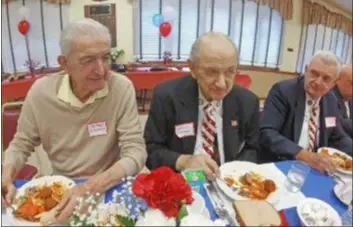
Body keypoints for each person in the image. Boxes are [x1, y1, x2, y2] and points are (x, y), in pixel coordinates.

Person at [1, 18, 147, 223]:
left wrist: (90, 187)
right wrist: (7, 173)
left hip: (109, 185)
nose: (101, 70)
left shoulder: (120, 88)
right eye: (88, 60)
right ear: (64, 63)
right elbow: (21, 143)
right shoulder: (41, 93)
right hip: (62, 187)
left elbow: (136, 151)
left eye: (105, 57)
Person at [144, 31, 260, 178]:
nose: (222, 84)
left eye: (230, 71)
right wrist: (184, 161)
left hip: (229, 183)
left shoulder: (247, 101)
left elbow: (253, 148)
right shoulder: (167, 96)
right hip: (183, 182)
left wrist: (234, 173)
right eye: (212, 72)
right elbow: (150, 151)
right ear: (192, 68)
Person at [260, 50, 352, 173]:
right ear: (306, 70)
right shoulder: (283, 91)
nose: (318, 82)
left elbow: (338, 136)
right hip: (282, 164)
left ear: (334, 83)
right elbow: (267, 133)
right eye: (314, 73)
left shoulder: (330, 99)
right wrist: (304, 155)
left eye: (326, 78)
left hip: (316, 169)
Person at [332, 64, 352, 136]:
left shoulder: (350, 98)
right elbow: (338, 122)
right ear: (338, 80)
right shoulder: (330, 97)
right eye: (351, 83)